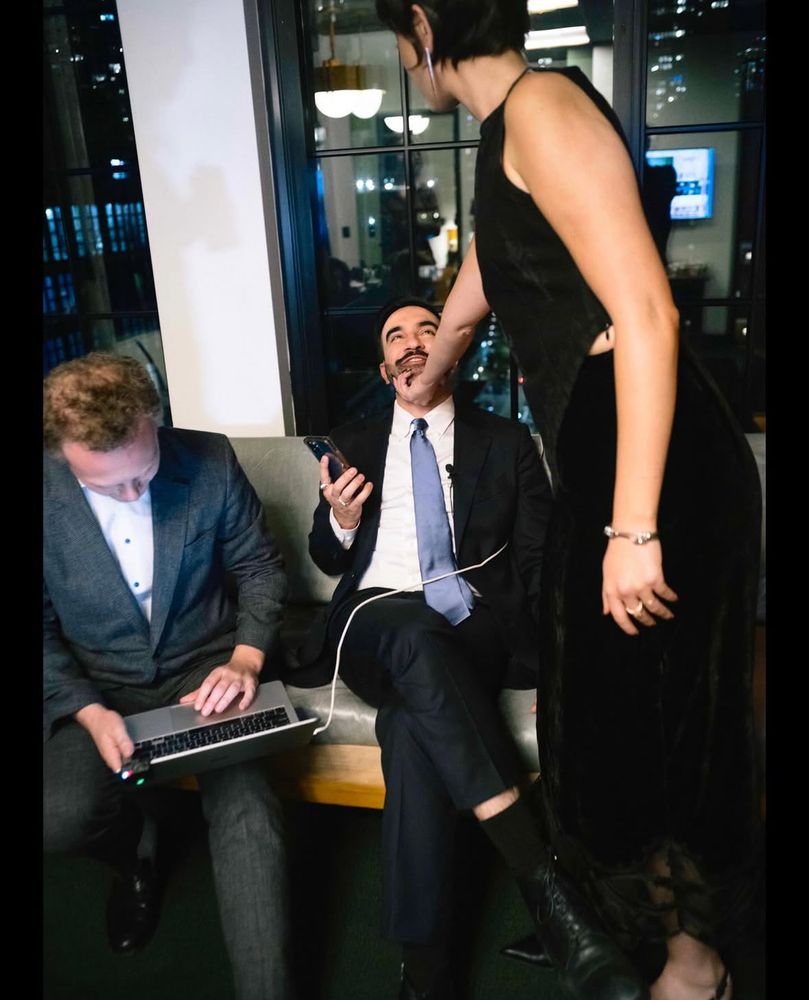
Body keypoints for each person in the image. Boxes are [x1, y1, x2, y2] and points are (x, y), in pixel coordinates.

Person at [372, 4, 763, 1000]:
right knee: (607, 722)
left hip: (653, 459)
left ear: (420, 23)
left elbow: (644, 311)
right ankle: (654, 940)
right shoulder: (510, 124)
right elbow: (482, 274)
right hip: (609, 446)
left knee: (666, 721)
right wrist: (435, 358)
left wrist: (632, 525)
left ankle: (698, 961)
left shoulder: (541, 108)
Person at [292, 297, 653, 1000]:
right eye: (394, 336)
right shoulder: (352, 442)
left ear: (453, 351)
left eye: (427, 330)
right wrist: (340, 520)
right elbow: (325, 560)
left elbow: (541, 569)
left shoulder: (507, 443)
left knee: (409, 727)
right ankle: (548, 888)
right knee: (409, 632)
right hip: (369, 622)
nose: (410, 343)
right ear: (382, 366)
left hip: (471, 630)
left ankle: (425, 970)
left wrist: (559, 661)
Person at [43, 353, 295, 1000]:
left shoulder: (209, 460)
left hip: (206, 669)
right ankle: (136, 856)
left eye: (143, 475)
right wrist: (86, 709)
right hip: (100, 686)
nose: (132, 496)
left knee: (249, 817)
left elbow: (261, 570)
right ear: (63, 454)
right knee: (59, 817)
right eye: (108, 487)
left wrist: (244, 658)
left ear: (155, 422)